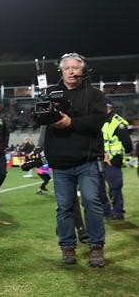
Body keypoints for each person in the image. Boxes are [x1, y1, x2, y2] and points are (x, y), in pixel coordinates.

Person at [42, 53, 106, 267]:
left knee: (92, 202)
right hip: (60, 162)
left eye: (75, 68)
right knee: (64, 207)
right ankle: (67, 246)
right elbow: (37, 116)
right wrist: (47, 117)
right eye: (66, 68)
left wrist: (69, 123)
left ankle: (96, 247)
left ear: (83, 71)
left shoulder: (95, 94)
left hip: (86, 160)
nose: (71, 71)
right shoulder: (49, 92)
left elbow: (96, 121)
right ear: (61, 71)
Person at [98, 98, 132, 220]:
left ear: (109, 107)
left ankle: (118, 211)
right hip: (98, 159)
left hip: (113, 160)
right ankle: (105, 210)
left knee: (115, 187)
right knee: (99, 188)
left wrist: (116, 155)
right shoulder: (97, 120)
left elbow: (128, 146)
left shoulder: (118, 123)